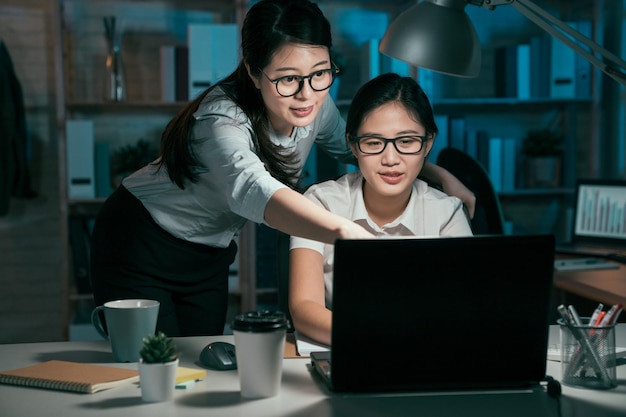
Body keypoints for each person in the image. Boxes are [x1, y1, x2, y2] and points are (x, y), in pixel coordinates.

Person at [90, 0, 475, 337]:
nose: (307, 94)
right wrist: (343, 229)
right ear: (254, 73)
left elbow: (360, 146)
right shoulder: (220, 123)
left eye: (320, 73)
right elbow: (257, 191)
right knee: (154, 364)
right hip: (140, 241)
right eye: (288, 79)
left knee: (195, 363)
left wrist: (438, 174)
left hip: (209, 254)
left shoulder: (314, 105)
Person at [289, 73, 474, 346]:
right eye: (374, 143)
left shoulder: (446, 213)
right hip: (344, 350)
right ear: (353, 144)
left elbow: (466, 306)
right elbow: (304, 308)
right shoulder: (321, 204)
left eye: (407, 142)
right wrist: (380, 338)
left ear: (428, 143)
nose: (390, 159)